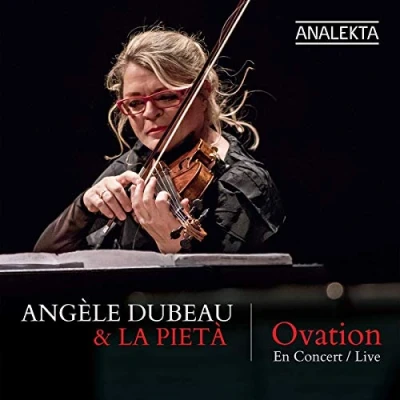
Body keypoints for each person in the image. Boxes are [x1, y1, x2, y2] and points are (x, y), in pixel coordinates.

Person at [33, 27, 285, 254]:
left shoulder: (242, 184)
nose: (149, 113)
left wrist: (172, 247)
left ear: (203, 93)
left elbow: (232, 287)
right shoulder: (134, 164)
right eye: (135, 103)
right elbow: (44, 258)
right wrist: (84, 206)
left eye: (165, 97)